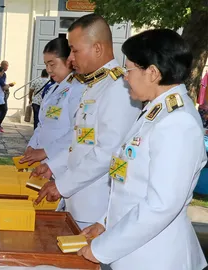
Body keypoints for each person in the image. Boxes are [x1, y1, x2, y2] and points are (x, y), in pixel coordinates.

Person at [78, 29, 207, 270]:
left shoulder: (177, 122)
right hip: (135, 253)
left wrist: (102, 248)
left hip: (157, 258)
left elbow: (161, 204)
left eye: (130, 69)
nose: (125, 77)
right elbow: (133, 189)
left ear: (153, 73)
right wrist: (106, 223)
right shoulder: (154, 112)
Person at [32, 14, 141, 229]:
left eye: (75, 50)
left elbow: (106, 151)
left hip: (95, 206)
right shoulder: (94, 84)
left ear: (98, 49)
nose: (70, 58)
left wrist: (62, 185)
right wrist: (53, 165)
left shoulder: (118, 88)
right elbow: (80, 143)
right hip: (78, 200)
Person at [20, 37, 84, 166]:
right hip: (44, 162)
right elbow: (42, 124)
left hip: (62, 162)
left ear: (68, 61)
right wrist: (32, 145)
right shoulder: (53, 88)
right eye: (46, 65)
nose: (48, 70)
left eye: (52, 64)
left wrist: (46, 151)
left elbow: (76, 131)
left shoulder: (79, 89)